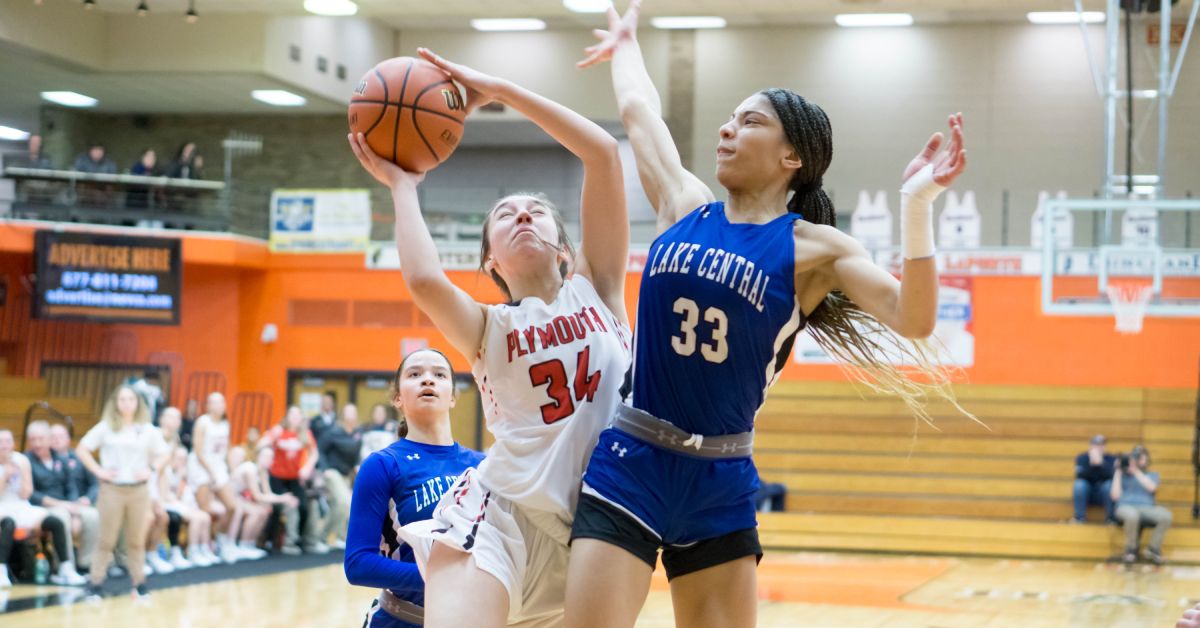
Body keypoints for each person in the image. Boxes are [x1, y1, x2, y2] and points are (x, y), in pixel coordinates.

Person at [565, 4, 969, 626]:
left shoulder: (816, 250)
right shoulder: (684, 206)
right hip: (631, 461)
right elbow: (639, 113)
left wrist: (917, 204)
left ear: (792, 158)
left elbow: (913, 319)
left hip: (719, 479)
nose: (726, 130)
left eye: (749, 121)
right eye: (728, 120)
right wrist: (626, 45)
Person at [348, 46, 631, 627]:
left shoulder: (598, 289)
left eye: (536, 212)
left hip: (593, 532)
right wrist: (404, 186)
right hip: (497, 518)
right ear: (491, 261)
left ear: (564, 247)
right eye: (506, 215)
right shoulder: (488, 328)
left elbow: (602, 153)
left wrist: (502, 90)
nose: (523, 216)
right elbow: (425, 281)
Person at [345, 349, 485, 628]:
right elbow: (358, 563)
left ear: (453, 397)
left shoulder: (484, 465)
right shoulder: (382, 465)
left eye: (439, 374)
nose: (428, 380)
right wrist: (438, 577)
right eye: (415, 374)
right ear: (398, 398)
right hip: (402, 619)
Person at [76, 386, 170, 599]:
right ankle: (96, 583)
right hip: (112, 490)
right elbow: (82, 449)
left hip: (139, 491)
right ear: (115, 403)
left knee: (136, 540)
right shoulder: (106, 427)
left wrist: (151, 469)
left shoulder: (148, 429)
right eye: (122, 399)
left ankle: (139, 583)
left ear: (137, 403)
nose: (126, 403)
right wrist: (99, 470)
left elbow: (164, 454)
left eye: (130, 399)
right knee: (106, 539)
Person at [0, 429, 84, 586]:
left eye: (7, 441)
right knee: (8, 523)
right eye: (1, 441)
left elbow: (27, 493)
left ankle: (66, 569)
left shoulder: (21, 460)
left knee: (56, 521)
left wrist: (20, 474)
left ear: (13, 443)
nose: (4, 445)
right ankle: (1, 570)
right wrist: (5, 476)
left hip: (21, 505)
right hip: (2, 507)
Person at [25, 420, 100, 580]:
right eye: (33, 440)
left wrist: (75, 509)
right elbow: (31, 494)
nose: (37, 443)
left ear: (49, 439)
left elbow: (70, 486)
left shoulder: (60, 458)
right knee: (61, 518)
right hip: (42, 507)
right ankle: (65, 568)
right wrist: (62, 506)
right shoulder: (27, 461)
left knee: (92, 516)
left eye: (41, 439)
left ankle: (85, 564)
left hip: (67, 505)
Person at [258, 406, 321, 554]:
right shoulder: (278, 431)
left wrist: (307, 468)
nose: (294, 417)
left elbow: (314, 454)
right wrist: (270, 439)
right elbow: (261, 444)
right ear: (287, 416)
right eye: (292, 414)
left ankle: (299, 539)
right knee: (277, 508)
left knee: (304, 506)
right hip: (277, 476)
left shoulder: (305, 434)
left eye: (297, 415)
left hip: (294, 478)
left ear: (301, 418)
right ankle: (269, 541)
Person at [188, 392, 241, 563]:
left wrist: (232, 469)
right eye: (214, 402)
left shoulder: (226, 423)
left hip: (218, 468)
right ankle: (201, 547)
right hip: (201, 467)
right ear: (208, 405)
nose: (218, 406)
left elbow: (226, 449)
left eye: (221, 402)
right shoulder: (203, 422)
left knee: (232, 507)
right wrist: (210, 471)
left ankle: (222, 541)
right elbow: (197, 450)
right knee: (205, 510)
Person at [1112, 444, 1172, 565]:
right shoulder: (1122, 475)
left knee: (1166, 516)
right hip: (1125, 506)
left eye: (1143, 457)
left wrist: (1136, 471)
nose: (1141, 460)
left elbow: (1152, 488)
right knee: (1132, 515)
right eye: (1138, 457)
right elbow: (1115, 496)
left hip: (1147, 507)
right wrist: (1118, 471)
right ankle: (1131, 549)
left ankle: (1153, 548)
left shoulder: (1152, 475)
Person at [318, 404, 362, 549]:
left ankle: (333, 537)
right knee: (345, 502)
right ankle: (325, 537)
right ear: (343, 415)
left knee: (341, 507)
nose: (351, 415)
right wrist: (325, 469)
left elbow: (356, 454)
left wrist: (357, 465)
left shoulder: (357, 433)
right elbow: (320, 451)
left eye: (353, 412)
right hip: (332, 472)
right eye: (348, 412)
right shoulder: (333, 432)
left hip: (346, 474)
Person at [1073, 434, 1116, 524]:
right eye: (1095, 445)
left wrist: (1101, 464)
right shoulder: (1082, 458)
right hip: (1087, 493)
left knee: (1109, 485)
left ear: (1105, 447)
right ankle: (1079, 518)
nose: (1098, 448)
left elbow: (1112, 476)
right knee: (1079, 485)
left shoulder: (1111, 459)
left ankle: (1110, 518)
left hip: (1103, 493)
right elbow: (1079, 475)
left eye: (1101, 445)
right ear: (1090, 446)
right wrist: (1092, 464)